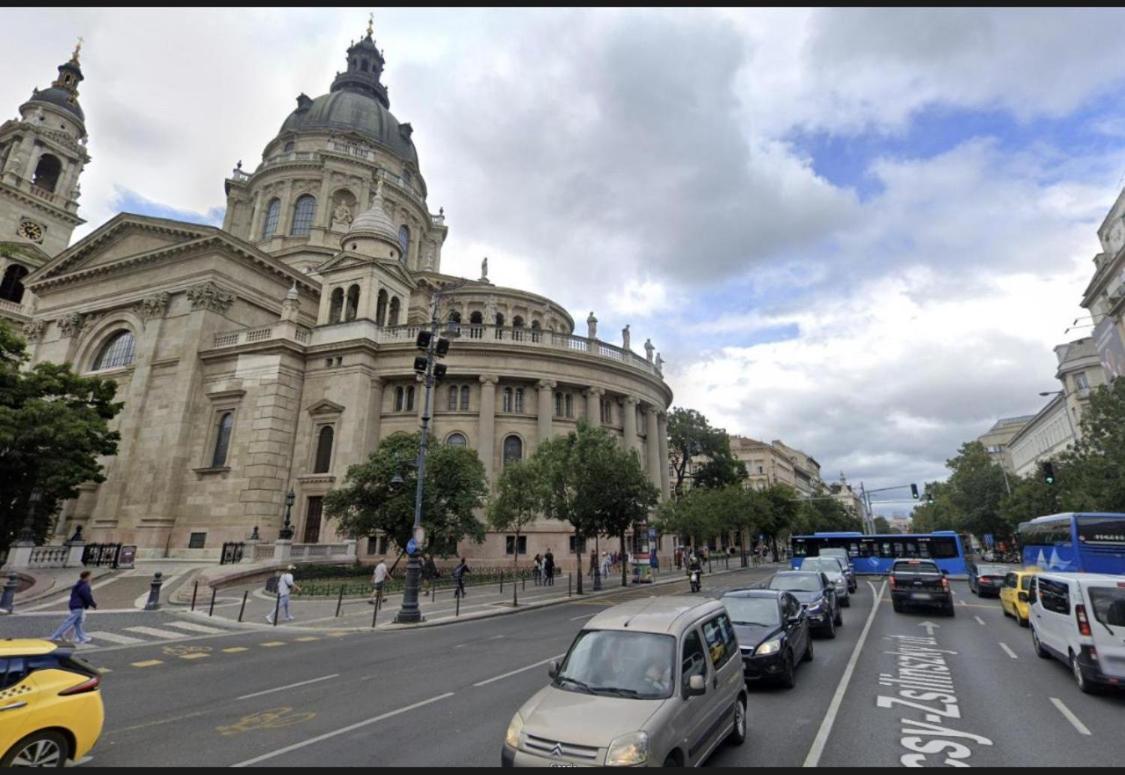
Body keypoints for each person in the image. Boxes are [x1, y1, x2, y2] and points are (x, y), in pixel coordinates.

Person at [49, 570, 96, 644]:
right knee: (68, 623)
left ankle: (82, 637)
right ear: (86, 577)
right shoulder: (85, 586)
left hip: (74, 605)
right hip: (78, 606)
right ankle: (55, 637)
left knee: (77, 623)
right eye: (90, 576)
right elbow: (87, 597)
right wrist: (93, 604)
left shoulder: (78, 584)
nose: (91, 578)